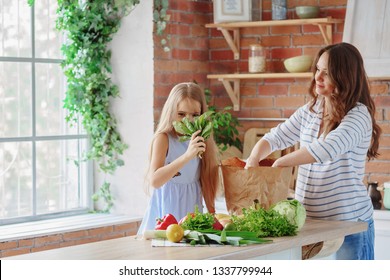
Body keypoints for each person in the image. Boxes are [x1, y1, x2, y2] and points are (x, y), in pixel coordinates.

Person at [245, 42, 381, 260]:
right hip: (311, 226)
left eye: (327, 72)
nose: (318, 77)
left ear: (345, 76)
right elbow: (276, 136)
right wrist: (253, 158)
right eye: (318, 69)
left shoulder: (358, 115)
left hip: (349, 226)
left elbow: (326, 148)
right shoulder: (312, 110)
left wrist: (280, 163)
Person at [137, 82, 220, 235]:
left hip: (191, 211)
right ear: (171, 112)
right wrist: (188, 155)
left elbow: (207, 180)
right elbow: (155, 180)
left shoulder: (201, 139)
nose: (188, 120)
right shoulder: (163, 139)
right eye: (181, 114)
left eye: (195, 115)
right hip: (165, 215)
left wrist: (212, 213)